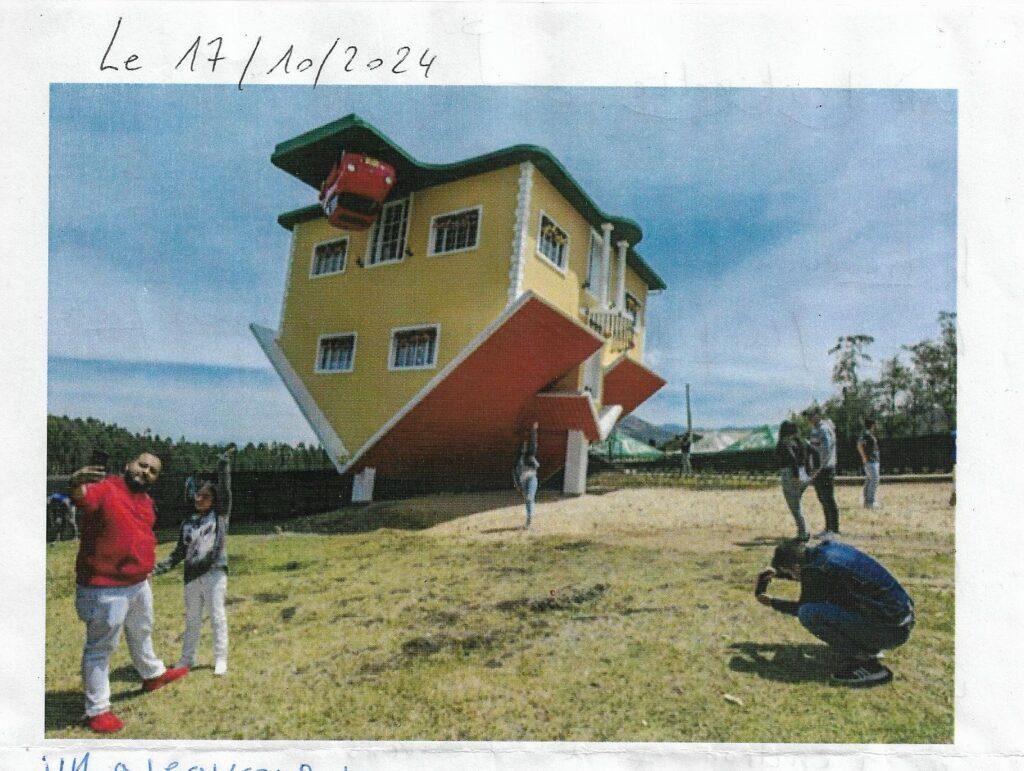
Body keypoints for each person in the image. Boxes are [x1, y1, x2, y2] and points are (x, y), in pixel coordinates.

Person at [70, 452, 188, 733]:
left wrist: (145, 571)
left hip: (138, 583)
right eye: (142, 465)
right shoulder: (106, 488)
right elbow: (82, 497)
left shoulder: (145, 502)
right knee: (101, 648)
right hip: (104, 587)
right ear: (128, 465)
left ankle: (152, 675)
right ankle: (97, 710)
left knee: (142, 631)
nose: (146, 471)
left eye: (153, 471)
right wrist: (74, 484)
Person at [754, 538, 915, 686]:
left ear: (796, 567)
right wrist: (780, 572)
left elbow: (802, 606)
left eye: (790, 573)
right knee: (833, 603)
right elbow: (811, 575)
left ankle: (867, 665)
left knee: (809, 613)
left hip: (890, 631)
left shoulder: (817, 569)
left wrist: (772, 602)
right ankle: (867, 647)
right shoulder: (827, 550)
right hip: (902, 619)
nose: (792, 577)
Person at [154, 448, 233, 675]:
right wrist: (157, 568)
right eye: (197, 495)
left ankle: (220, 659)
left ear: (214, 500)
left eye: (205, 496)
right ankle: (186, 659)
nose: (199, 499)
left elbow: (226, 491)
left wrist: (223, 466)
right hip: (191, 576)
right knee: (192, 619)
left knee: (217, 615)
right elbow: (179, 552)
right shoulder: (187, 522)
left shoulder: (220, 516)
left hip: (214, 572)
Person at [774, 420, 813, 541]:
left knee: (794, 506)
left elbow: (792, 458)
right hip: (803, 473)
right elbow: (814, 453)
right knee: (797, 504)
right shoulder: (799, 442)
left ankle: (803, 532)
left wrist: (795, 476)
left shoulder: (784, 443)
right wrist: (811, 471)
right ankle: (803, 531)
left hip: (789, 474)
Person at [806, 406, 841, 538]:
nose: (809, 419)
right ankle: (828, 528)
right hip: (818, 469)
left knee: (828, 499)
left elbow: (826, 452)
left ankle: (834, 530)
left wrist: (818, 468)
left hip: (825, 469)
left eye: (811, 415)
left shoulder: (824, 429)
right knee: (822, 499)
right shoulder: (815, 429)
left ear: (817, 415)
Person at [513, 422, 540, 529]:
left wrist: (534, 431)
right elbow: (515, 473)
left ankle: (529, 521)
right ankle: (529, 521)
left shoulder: (530, 454)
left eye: (525, 446)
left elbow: (533, 443)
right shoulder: (518, 460)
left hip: (531, 478)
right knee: (528, 500)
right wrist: (518, 486)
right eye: (522, 446)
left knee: (529, 498)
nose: (524, 447)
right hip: (523, 481)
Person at [857, 418, 882, 509]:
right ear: (872, 425)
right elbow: (859, 445)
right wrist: (864, 458)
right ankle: (870, 502)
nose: (876, 426)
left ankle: (867, 501)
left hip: (873, 461)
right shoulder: (866, 434)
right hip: (870, 462)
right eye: (875, 424)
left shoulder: (869, 434)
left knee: (869, 480)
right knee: (875, 480)